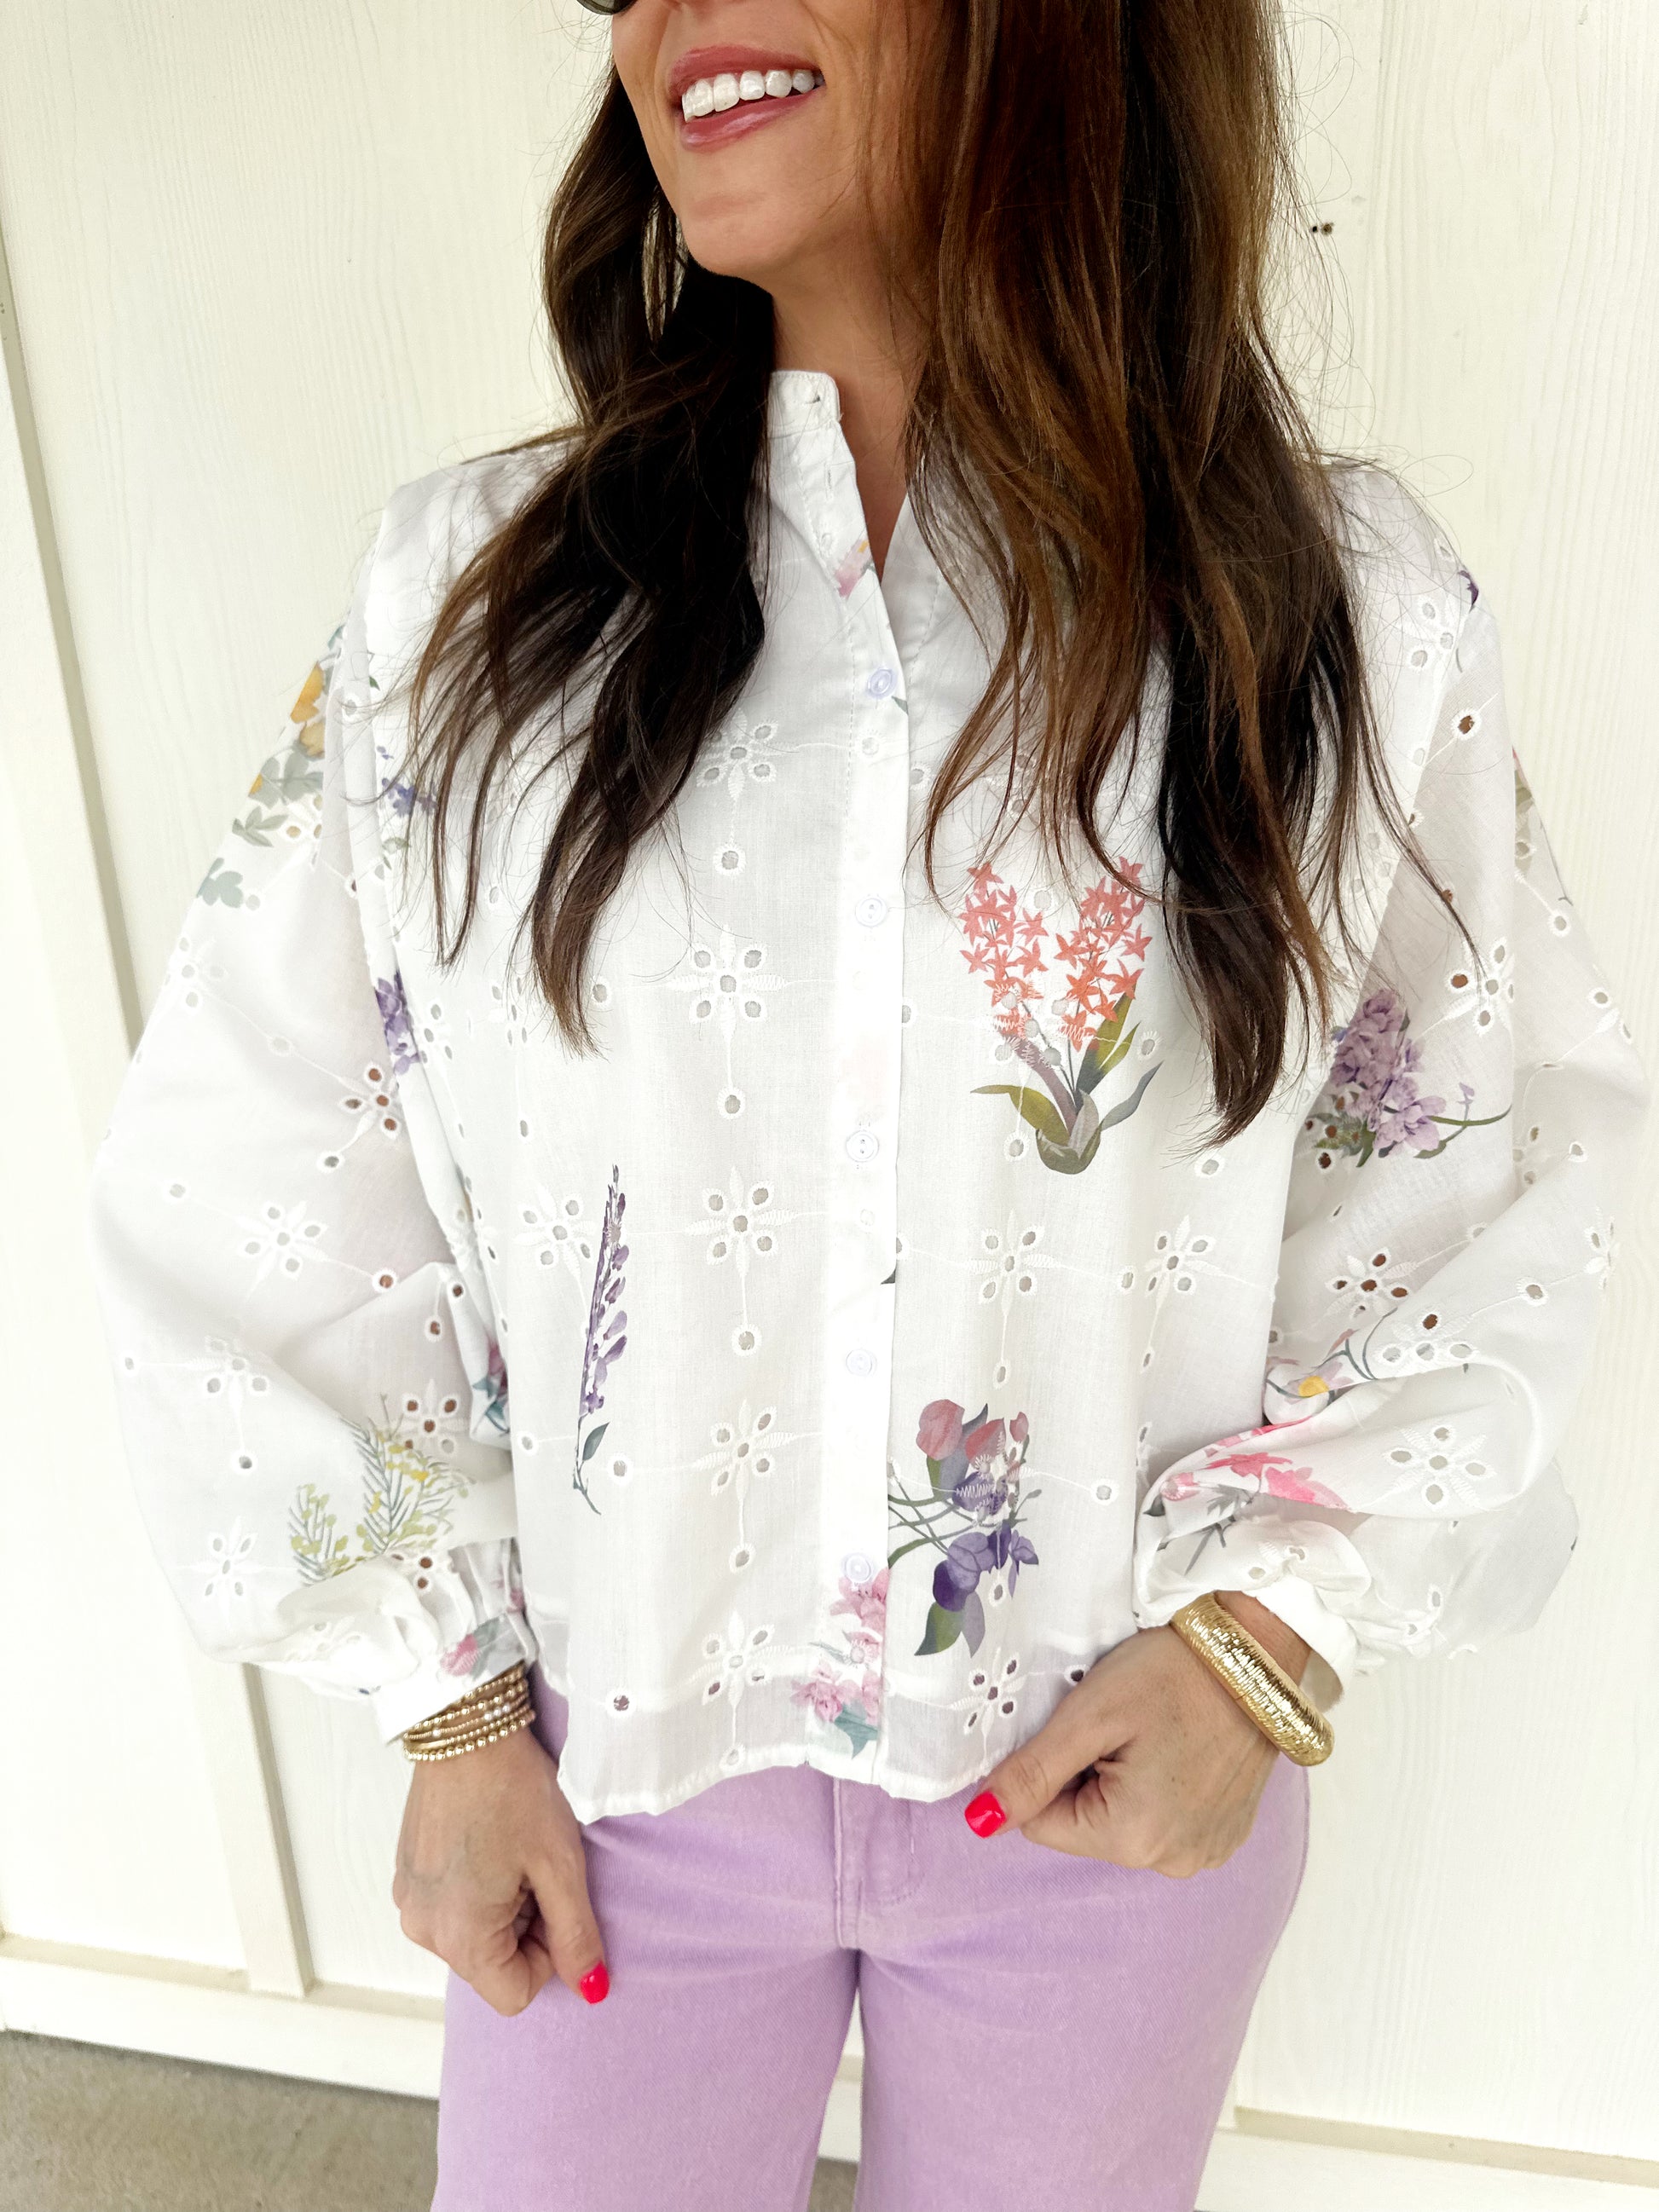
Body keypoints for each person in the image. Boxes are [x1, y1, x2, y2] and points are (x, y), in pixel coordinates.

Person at [88, 2, 1646, 2208]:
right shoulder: (472, 610)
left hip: (1100, 1788)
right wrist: (443, 1698)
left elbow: (1476, 1154)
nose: (666, 12)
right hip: (610, 1798)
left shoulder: (1332, 616)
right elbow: (266, 1156)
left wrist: (1266, 1637)